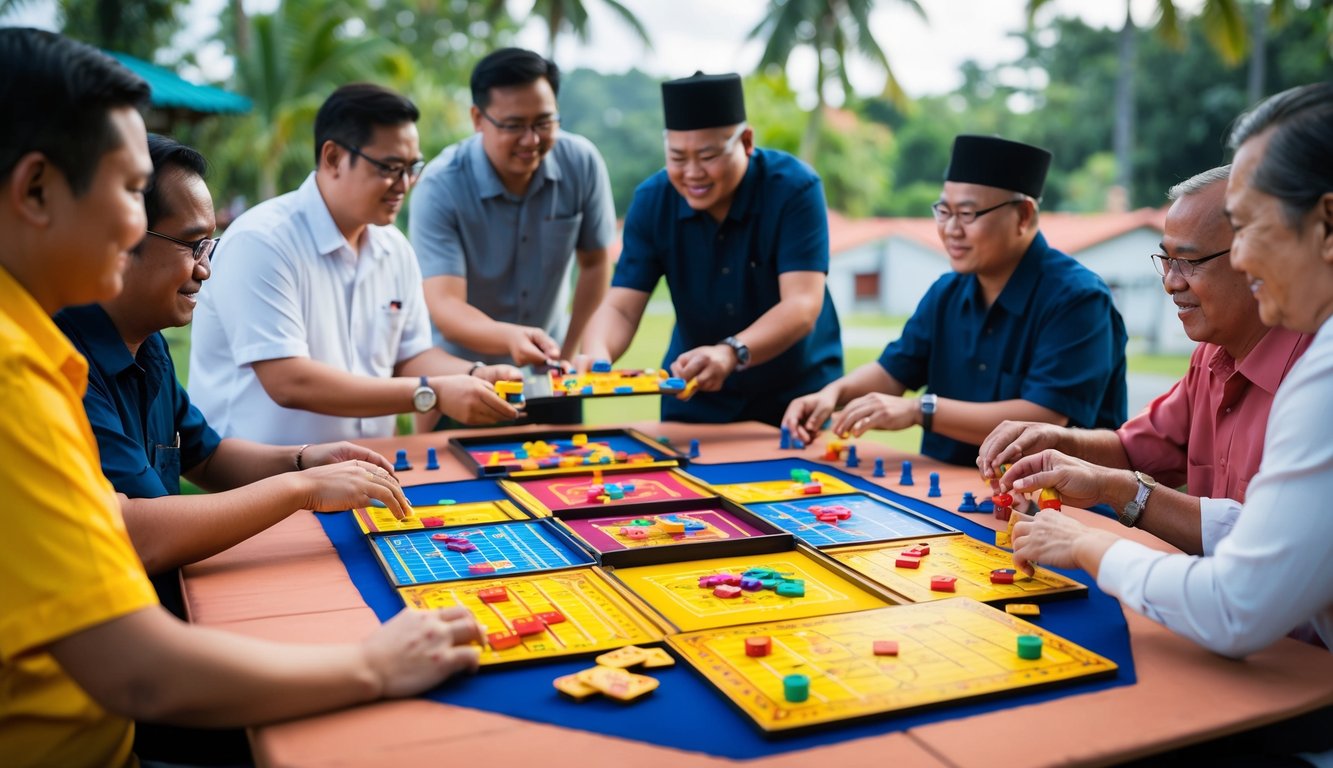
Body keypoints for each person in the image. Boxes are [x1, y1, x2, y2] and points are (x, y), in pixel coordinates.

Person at [0, 29, 480, 768]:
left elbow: (205, 452)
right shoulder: (13, 375)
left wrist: (302, 458)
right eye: (129, 193)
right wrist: (374, 664)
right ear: (35, 190)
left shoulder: (57, 344)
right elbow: (140, 670)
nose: (135, 229)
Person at [1003, 82, 1333, 659]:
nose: (1246, 257)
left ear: (1325, 224)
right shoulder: (1233, 353)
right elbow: (1273, 534)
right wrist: (1115, 486)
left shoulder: (1320, 370)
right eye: (1167, 260)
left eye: (1251, 228)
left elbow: (1236, 605)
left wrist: (1086, 545)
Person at [55, 135, 414, 621]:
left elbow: (207, 455)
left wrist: (304, 460)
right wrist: (301, 489)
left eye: (208, 245)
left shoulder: (147, 341)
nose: (205, 268)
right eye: (190, 244)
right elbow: (140, 535)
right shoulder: (64, 361)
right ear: (118, 240)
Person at [976, 167, 1311, 555]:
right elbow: (1135, 449)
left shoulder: (1313, 377)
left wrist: (1120, 491)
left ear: (1261, 258)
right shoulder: (1211, 357)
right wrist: (1057, 440)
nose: (1170, 282)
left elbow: (1271, 548)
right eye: (1166, 260)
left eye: (1189, 261)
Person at [189, 83, 520, 445]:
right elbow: (288, 380)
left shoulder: (394, 248)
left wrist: (476, 374)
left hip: (364, 473)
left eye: (412, 167)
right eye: (391, 167)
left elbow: (409, 357)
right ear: (332, 158)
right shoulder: (262, 242)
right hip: (259, 484)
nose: (405, 184)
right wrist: (432, 393)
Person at [782, 135, 1128, 466]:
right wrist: (833, 393)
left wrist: (921, 410)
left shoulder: (1078, 300)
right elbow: (893, 371)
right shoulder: (947, 292)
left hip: (1054, 504)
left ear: (1023, 216)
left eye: (967, 214)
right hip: (950, 489)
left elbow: (1044, 416)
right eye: (943, 212)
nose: (950, 229)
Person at [578, 72, 843, 425]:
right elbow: (622, 307)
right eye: (677, 157)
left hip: (793, 398)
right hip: (693, 392)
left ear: (746, 141)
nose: (692, 172)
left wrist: (731, 353)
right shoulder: (652, 201)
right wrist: (597, 353)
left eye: (707, 156)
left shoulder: (795, 189)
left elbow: (802, 304)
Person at [409, 48, 616, 426]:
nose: (531, 139)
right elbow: (444, 305)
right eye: (514, 125)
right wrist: (510, 339)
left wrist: (566, 353)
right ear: (478, 118)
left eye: (544, 122)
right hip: (463, 379)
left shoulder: (581, 162)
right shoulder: (441, 186)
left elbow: (596, 262)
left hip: (552, 379)